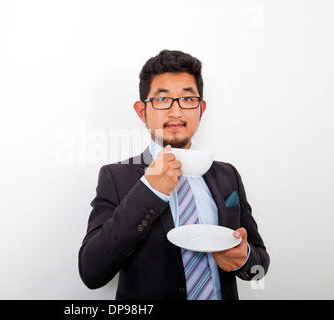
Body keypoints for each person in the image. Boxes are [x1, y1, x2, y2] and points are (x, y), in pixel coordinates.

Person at [78, 50, 269, 300]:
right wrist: (149, 191)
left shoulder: (228, 175)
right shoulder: (116, 177)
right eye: (162, 100)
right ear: (141, 111)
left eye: (187, 100)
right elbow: (92, 272)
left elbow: (259, 269)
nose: (176, 112)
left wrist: (243, 258)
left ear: (201, 108)